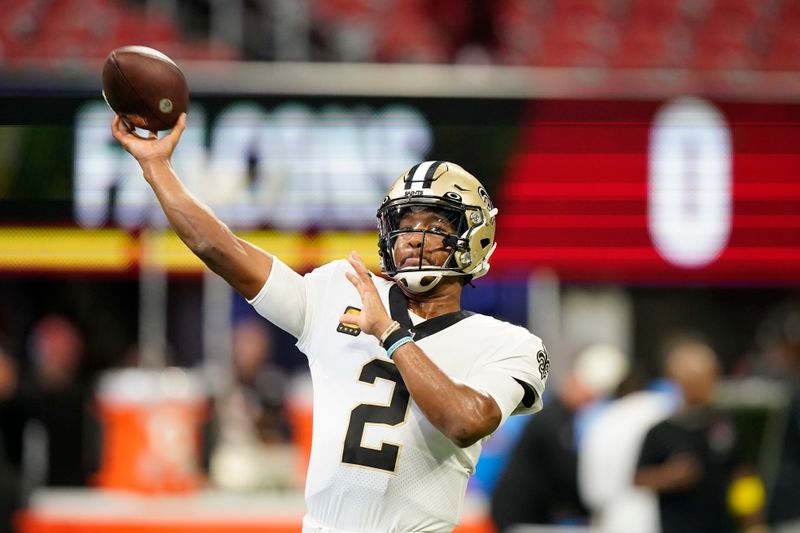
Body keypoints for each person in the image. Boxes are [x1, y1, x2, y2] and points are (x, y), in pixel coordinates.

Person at [112, 114, 548, 533]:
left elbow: (466, 421)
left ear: (475, 237)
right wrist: (156, 168)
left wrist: (392, 336)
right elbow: (218, 247)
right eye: (405, 222)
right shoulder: (339, 290)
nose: (415, 236)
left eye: (434, 224)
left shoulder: (509, 344)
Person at [491, 343, 629, 531]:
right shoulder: (551, 422)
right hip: (519, 513)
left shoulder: (563, 420)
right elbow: (566, 473)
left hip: (535, 513)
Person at [634, 336, 764, 533]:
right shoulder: (661, 431)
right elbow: (638, 478)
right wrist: (669, 475)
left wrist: (754, 522)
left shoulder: (724, 425)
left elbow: (742, 474)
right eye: (702, 377)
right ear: (681, 381)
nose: (710, 383)